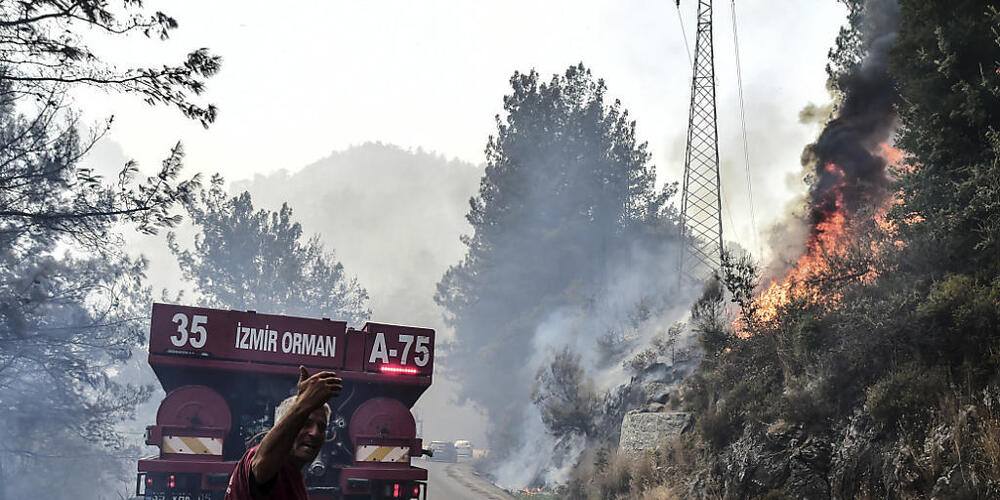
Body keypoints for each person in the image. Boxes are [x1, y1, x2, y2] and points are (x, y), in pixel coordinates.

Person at [225, 366, 343, 499]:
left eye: (321, 427)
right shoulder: (261, 460)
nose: (314, 433)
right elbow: (262, 464)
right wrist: (303, 404)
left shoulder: (295, 480)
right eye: (305, 424)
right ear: (283, 425)